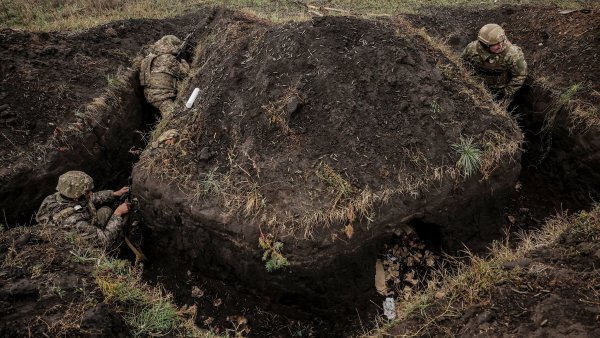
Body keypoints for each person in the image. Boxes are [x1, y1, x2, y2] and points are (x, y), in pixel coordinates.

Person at [35, 170, 130, 248]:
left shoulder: (53, 198)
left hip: (76, 230)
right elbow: (104, 241)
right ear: (76, 197)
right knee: (107, 214)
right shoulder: (76, 222)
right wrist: (117, 214)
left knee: (104, 211)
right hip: (79, 245)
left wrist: (114, 193)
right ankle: (116, 250)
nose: (91, 193)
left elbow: (90, 198)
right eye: (87, 192)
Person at [461, 23, 527, 99]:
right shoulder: (471, 49)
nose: (500, 46)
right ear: (485, 44)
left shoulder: (513, 54)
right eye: (496, 44)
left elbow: (520, 75)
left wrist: (506, 93)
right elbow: (462, 64)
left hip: (501, 92)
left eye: (502, 41)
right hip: (476, 88)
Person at [139, 35, 190, 117]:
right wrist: (184, 62)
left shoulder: (148, 58)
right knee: (173, 117)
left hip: (150, 95)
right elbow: (185, 74)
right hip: (162, 97)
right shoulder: (168, 58)